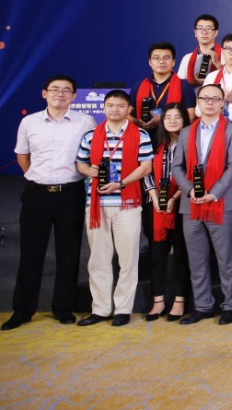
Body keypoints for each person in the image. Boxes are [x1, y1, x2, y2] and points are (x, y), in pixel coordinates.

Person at [3, 76, 96, 331]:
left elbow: (90, 155)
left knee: (69, 253)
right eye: (54, 89)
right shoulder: (29, 122)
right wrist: (39, 178)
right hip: (37, 194)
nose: (60, 94)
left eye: (66, 90)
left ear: (74, 96)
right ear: (44, 93)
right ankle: (23, 310)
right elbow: (23, 157)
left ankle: (63, 308)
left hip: (71, 193)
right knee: (30, 253)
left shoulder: (86, 122)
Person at [74, 90, 155, 327]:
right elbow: (80, 163)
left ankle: (123, 309)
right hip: (96, 205)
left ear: (128, 109)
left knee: (128, 259)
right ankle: (100, 309)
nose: (115, 109)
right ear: (104, 108)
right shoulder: (91, 135)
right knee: (98, 259)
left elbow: (146, 166)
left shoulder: (140, 135)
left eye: (120, 106)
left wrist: (121, 183)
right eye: (110, 105)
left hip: (127, 204)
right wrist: (89, 171)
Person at [172, 84, 232, 325]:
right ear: (198, 102)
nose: (210, 103)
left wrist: (213, 194)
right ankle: (202, 306)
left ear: (223, 103)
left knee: (226, 260)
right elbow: (177, 167)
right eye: (205, 98)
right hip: (191, 204)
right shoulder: (186, 132)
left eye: (215, 99)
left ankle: (230, 305)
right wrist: (190, 190)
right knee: (196, 260)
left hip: (221, 203)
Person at [144, 103, 192, 323]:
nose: (172, 121)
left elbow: (193, 175)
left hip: (182, 204)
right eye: (168, 117)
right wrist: (154, 197)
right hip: (156, 205)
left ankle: (180, 300)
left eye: (177, 117)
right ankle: (158, 301)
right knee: (156, 255)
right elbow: (146, 171)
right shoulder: (155, 143)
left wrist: (174, 198)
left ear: (185, 121)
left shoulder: (191, 143)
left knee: (181, 253)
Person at [133, 42, 196, 133]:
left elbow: (191, 116)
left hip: (173, 137)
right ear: (150, 62)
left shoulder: (185, 86)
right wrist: (137, 122)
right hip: (143, 137)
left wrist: (163, 120)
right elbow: (126, 114)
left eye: (166, 58)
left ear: (173, 62)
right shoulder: (139, 86)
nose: (161, 61)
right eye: (156, 58)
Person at [178, 14, 222, 87]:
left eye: (208, 28)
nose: (204, 32)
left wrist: (218, 64)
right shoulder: (187, 58)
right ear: (195, 33)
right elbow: (179, 86)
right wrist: (195, 82)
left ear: (216, 33)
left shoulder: (226, 55)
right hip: (195, 94)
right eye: (200, 28)